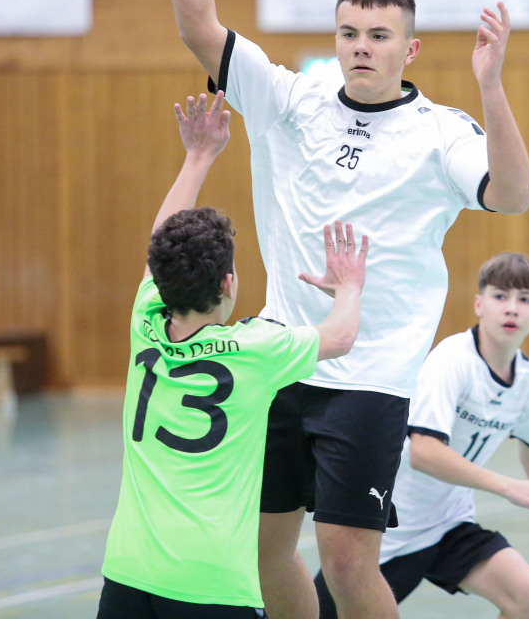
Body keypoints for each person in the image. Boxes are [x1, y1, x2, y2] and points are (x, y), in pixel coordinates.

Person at [155, 0, 529, 619]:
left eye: (379, 35)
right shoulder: (291, 102)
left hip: (371, 376)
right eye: (349, 32)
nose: (361, 46)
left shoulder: (440, 133)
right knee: (262, 551)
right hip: (282, 358)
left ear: (409, 49)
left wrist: (492, 86)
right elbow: (199, 26)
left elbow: (512, 193)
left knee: (347, 560)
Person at [97, 90, 369, 618]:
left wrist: (197, 157)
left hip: (128, 571)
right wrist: (349, 287)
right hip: (212, 583)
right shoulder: (256, 349)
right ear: (227, 283)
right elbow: (339, 337)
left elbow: (158, 246)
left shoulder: (145, 320)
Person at [313, 251, 529, 619]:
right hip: (390, 530)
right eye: (500, 296)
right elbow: (424, 452)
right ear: (479, 304)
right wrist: (509, 487)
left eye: (525, 299)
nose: (512, 308)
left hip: (450, 525)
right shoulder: (452, 360)